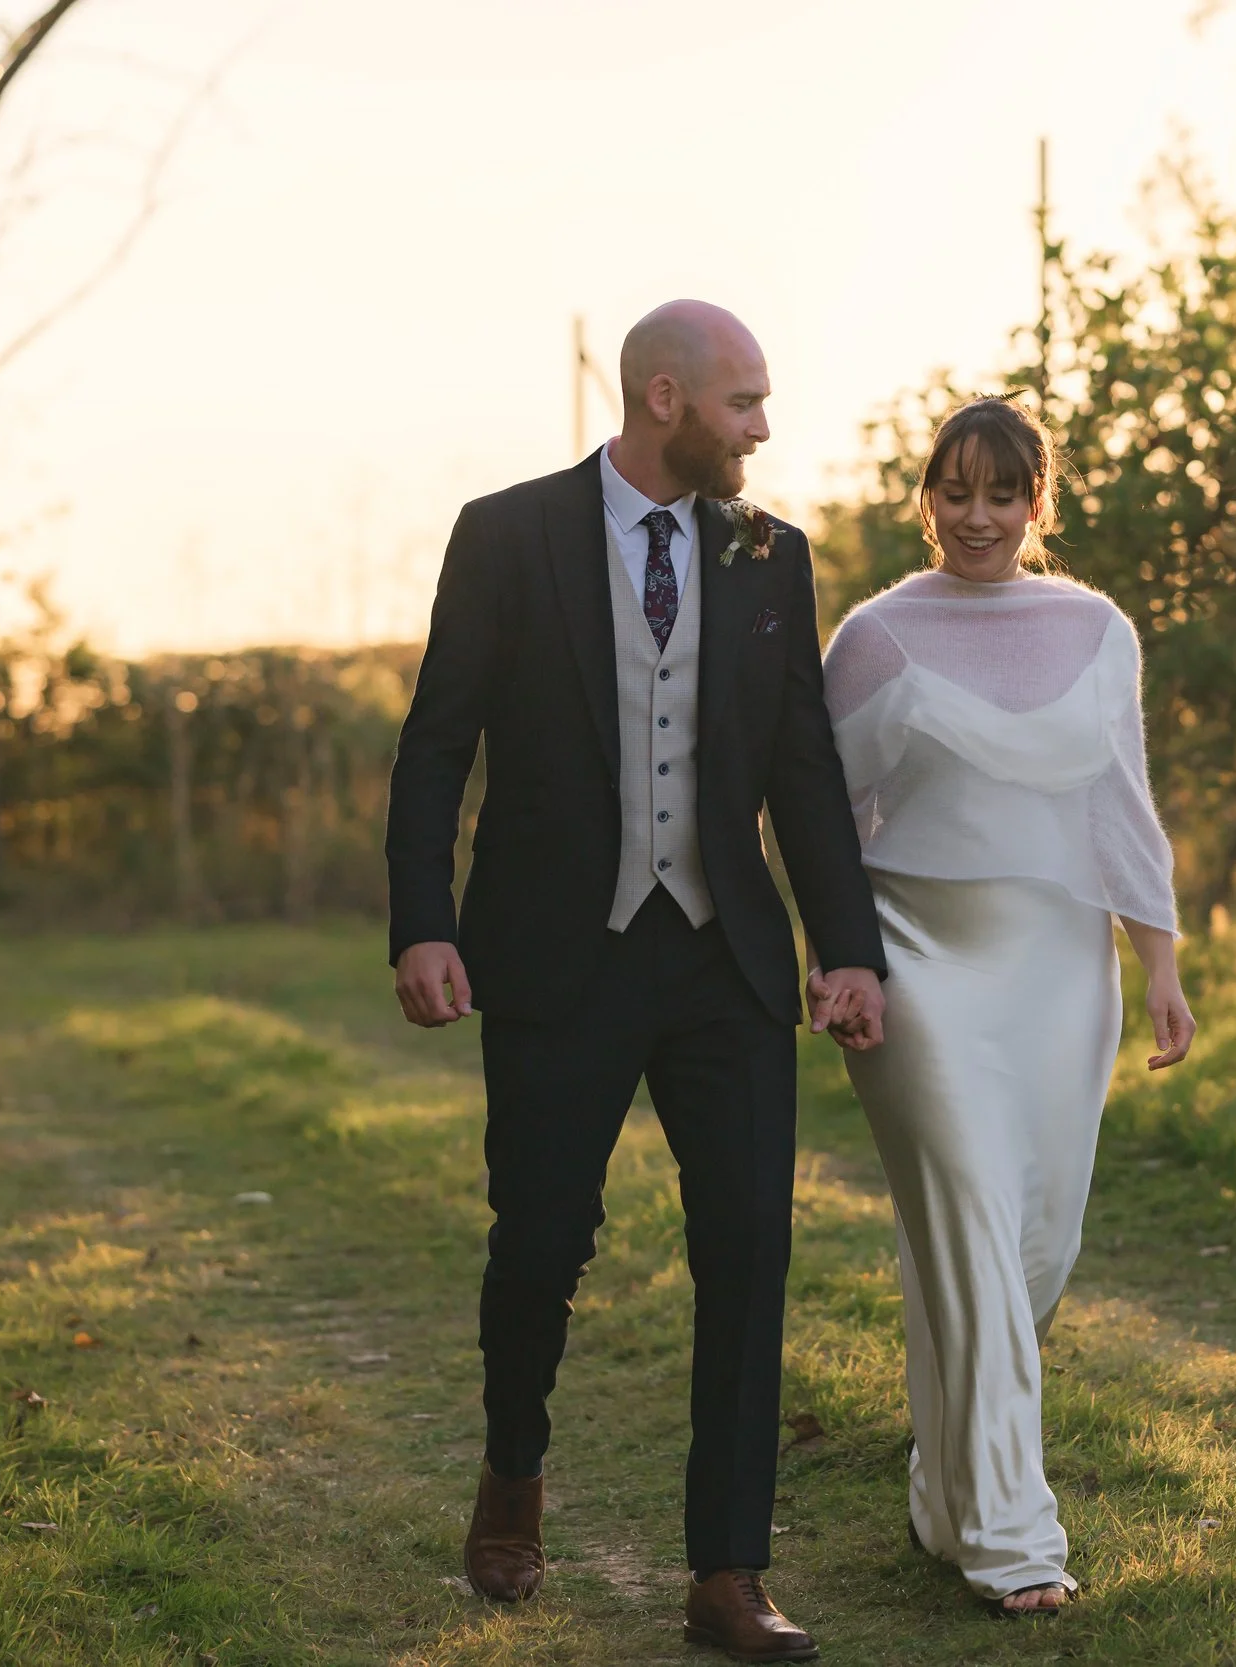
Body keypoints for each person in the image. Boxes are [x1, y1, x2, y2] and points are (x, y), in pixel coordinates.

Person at [385, 298, 885, 1664]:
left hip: (724, 957)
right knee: (541, 1235)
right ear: (665, 397)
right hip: (557, 949)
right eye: (745, 403)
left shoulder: (771, 554)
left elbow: (803, 771)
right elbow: (437, 744)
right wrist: (422, 924)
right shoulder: (509, 535)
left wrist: (848, 947)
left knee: (749, 1247)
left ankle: (727, 1569)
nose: (763, 428)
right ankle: (513, 1470)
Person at [818, 396, 1197, 1616]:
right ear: (923, 496)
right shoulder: (874, 636)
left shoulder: (1095, 628)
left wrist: (1161, 964)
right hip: (917, 954)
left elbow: (1117, 805)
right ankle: (1009, 1533)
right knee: (972, 1215)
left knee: (1030, 1248)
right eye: (954, 491)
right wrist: (838, 959)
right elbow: (822, 818)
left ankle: (943, 1480)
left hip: (1057, 969)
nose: (976, 517)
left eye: (1002, 493)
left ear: (1040, 502)